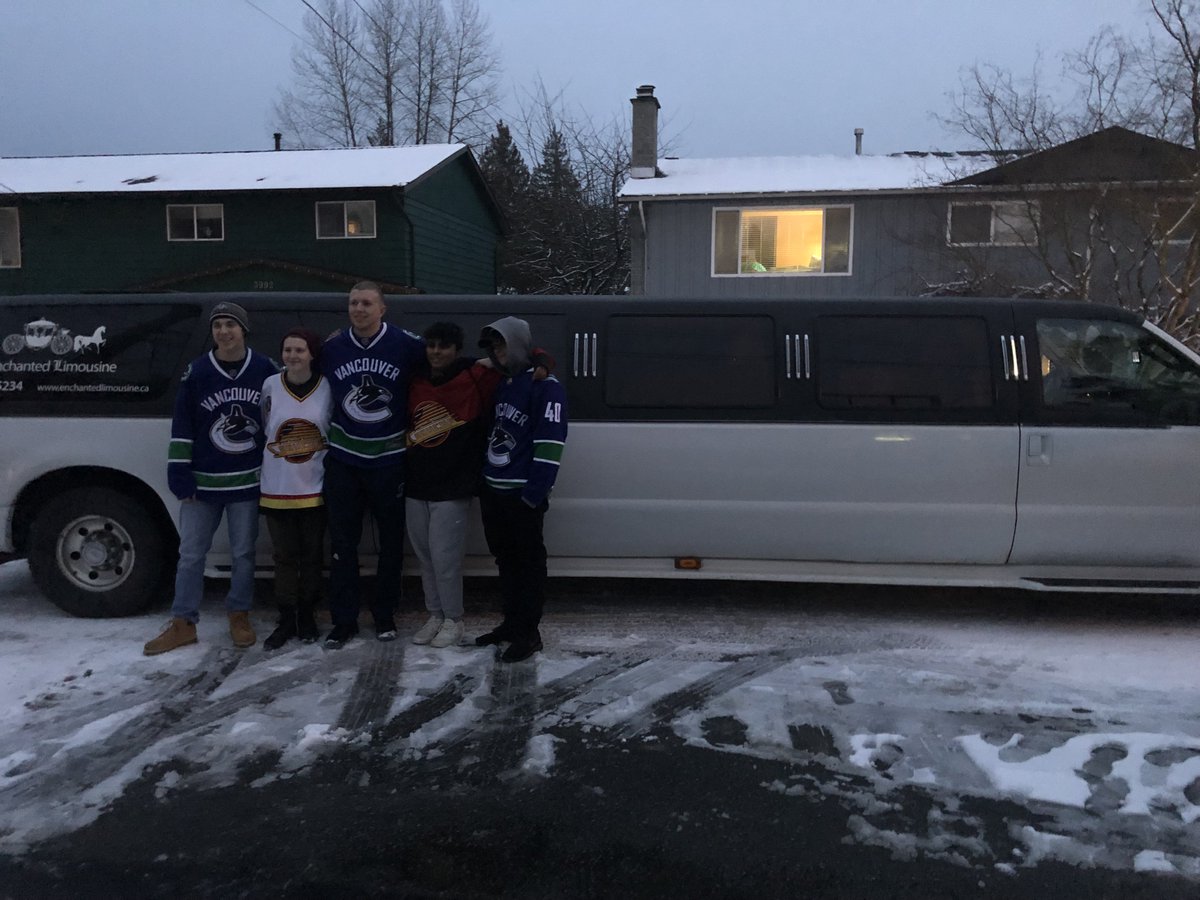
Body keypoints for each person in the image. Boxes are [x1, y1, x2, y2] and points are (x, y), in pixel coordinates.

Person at [405, 323, 553, 650]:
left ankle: (460, 621)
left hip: (460, 485)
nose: (436, 352)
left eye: (444, 346)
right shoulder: (413, 375)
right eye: (431, 345)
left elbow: (520, 358)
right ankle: (440, 615)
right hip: (423, 483)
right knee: (429, 558)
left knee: (452, 559)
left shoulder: (478, 375)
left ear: (458, 350)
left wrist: (541, 359)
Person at [144, 302, 278, 656]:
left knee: (244, 553)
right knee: (190, 554)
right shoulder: (198, 371)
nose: (223, 331)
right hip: (203, 483)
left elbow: (275, 422)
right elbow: (183, 423)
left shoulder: (264, 369)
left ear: (243, 330)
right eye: (218, 325)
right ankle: (183, 622)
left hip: (246, 481)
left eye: (230, 325)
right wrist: (179, 471)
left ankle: (239, 613)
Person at [320, 281, 425, 648]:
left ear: (383, 309)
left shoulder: (407, 344)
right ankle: (344, 620)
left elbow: (449, 363)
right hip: (344, 458)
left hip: (389, 459)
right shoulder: (332, 347)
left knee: (391, 545)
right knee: (342, 545)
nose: (359, 309)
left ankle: (384, 615)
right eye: (353, 303)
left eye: (366, 303)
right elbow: (293, 369)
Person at [474, 317, 568, 663]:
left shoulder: (546, 387)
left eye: (503, 345)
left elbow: (550, 443)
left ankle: (529, 633)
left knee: (528, 567)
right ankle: (511, 624)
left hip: (521, 496)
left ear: (517, 344)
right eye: (493, 347)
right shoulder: (504, 383)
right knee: (506, 563)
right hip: (494, 491)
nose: (498, 353)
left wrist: (534, 494)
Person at [259, 328, 332, 650]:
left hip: (312, 485)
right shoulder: (271, 385)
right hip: (277, 485)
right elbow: (265, 424)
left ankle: (307, 614)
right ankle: (286, 617)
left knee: (312, 556)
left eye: (299, 350)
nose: (293, 356)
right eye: (288, 350)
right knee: (284, 557)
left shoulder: (326, 386)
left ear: (311, 354)